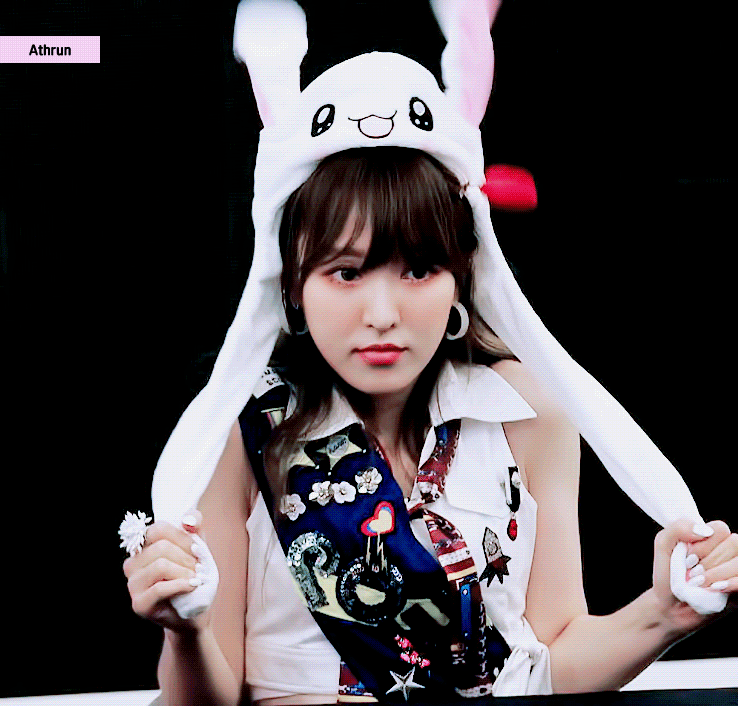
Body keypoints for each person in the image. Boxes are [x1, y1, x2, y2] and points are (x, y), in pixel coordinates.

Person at [122, 1, 736, 704]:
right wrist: (185, 630)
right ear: (291, 282)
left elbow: (549, 663)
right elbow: (211, 697)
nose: (383, 314)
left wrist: (665, 614)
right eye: (346, 272)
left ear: (462, 275)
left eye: (418, 269)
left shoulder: (525, 410)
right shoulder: (240, 430)